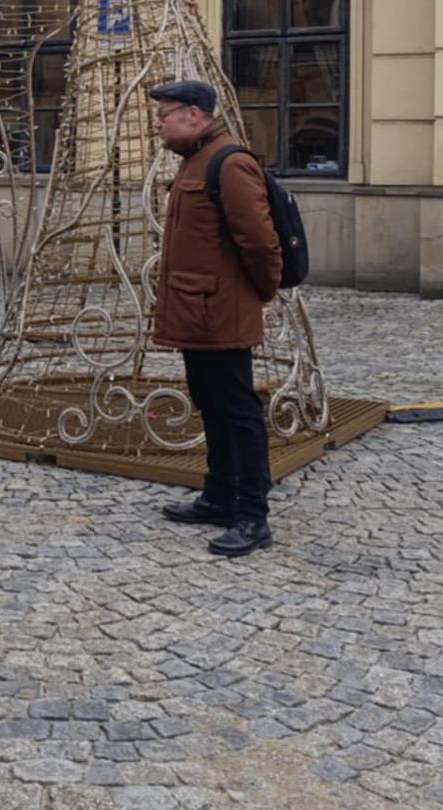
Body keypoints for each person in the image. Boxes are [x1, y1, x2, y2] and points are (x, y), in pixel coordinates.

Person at [146, 79, 284, 558]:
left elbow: (260, 243)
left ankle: (253, 516)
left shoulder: (229, 163)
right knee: (211, 403)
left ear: (194, 114)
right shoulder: (196, 160)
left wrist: (257, 293)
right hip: (196, 312)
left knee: (239, 411)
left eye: (164, 114)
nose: (158, 124)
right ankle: (219, 496)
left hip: (221, 314)